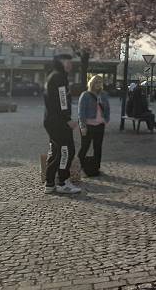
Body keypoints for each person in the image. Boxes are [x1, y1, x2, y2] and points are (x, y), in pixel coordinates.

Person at [43, 54, 81, 194]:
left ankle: (50, 182)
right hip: (59, 121)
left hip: (51, 120)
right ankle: (63, 182)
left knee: (56, 151)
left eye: (71, 61)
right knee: (67, 150)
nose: (70, 64)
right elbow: (62, 99)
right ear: (60, 63)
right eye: (67, 61)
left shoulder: (52, 75)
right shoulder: (59, 77)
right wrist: (67, 119)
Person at [78, 74, 110, 176]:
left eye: (100, 82)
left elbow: (107, 108)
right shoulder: (85, 95)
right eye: (96, 82)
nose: (98, 84)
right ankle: (78, 167)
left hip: (100, 125)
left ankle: (96, 168)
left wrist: (106, 119)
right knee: (85, 147)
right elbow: (81, 112)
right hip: (88, 124)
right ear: (91, 83)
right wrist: (82, 126)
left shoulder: (103, 94)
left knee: (98, 147)